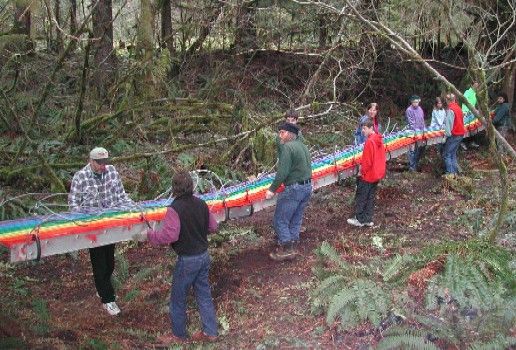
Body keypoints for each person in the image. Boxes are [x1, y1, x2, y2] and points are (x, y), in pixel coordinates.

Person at [134, 171, 219, 344]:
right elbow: (213, 226)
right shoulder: (201, 203)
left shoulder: (174, 209)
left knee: (178, 297)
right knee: (203, 293)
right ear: (192, 186)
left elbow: (170, 236)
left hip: (188, 260)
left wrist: (149, 235)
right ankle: (211, 332)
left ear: (174, 189)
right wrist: (197, 230)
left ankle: (178, 335)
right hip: (204, 256)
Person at [68, 147, 134, 316]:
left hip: (111, 225)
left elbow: (121, 195)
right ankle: (108, 299)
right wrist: (82, 222)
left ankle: (102, 287)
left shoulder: (112, 172)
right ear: (91, 161)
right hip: (92, 228)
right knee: (100, 264)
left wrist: (133, 208)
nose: (103, 166)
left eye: (105, 162)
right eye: (99, 163)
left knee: (110, 262)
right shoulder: (80, 177)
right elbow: (73, 204)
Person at [265, 122, 312, 261]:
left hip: (294, 188)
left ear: (290, 134)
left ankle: (286, 248)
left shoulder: (287, 147)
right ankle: (293, 244)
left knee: (280, 219)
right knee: (296, 218)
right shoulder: (302, 146)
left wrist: (272, 189)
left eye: (282, 132)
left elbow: (282, 172)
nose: (280, 135)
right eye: (279, 132)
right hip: (307, 186)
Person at [347, 118, 386, 227]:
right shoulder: (378, 139)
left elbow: (368, 161)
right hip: (376, 174)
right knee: (370, 197)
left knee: (362, 197)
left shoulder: (370, 141)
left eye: (364, 128)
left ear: (371, 128)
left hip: (368, 175)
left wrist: (361, 172)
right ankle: (368, 219)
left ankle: (360, 219)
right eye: (362, 128)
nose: (362, 131)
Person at [443, 93, 465, 175]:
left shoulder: (451, 110)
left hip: (454, 135)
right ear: (454, 99)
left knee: (447, 154)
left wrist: (445, 137)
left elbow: (449, 125)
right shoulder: (459, 108)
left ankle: (450, 173)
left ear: (447, 100)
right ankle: (455, 172)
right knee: (453, 153)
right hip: (461, 134)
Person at [405, 95, 426, 171]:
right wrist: (416, 131)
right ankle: (412, 166)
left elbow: (422, 119)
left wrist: (423, 129)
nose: (416, 104)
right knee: (411, 150)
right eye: (414, 102)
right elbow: (411, 123)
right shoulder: (409, 110)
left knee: (419, 148)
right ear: (412, 102)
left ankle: (415, 164)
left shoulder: (420, 109)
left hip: (420, 132)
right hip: (412, 133)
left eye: (417, 102)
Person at [461, 81, 480, 149]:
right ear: (472, 85)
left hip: (472, 112)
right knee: (465, 128)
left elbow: (473, 104)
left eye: (477, 86)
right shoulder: (467, 92)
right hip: (466, 112)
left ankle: (471, 142)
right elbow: (464, 102)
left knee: (472, 127)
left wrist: (475, 110)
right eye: (475, 85)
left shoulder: (475, 93)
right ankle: (463, 143)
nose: (476, 87)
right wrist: (465, 111)